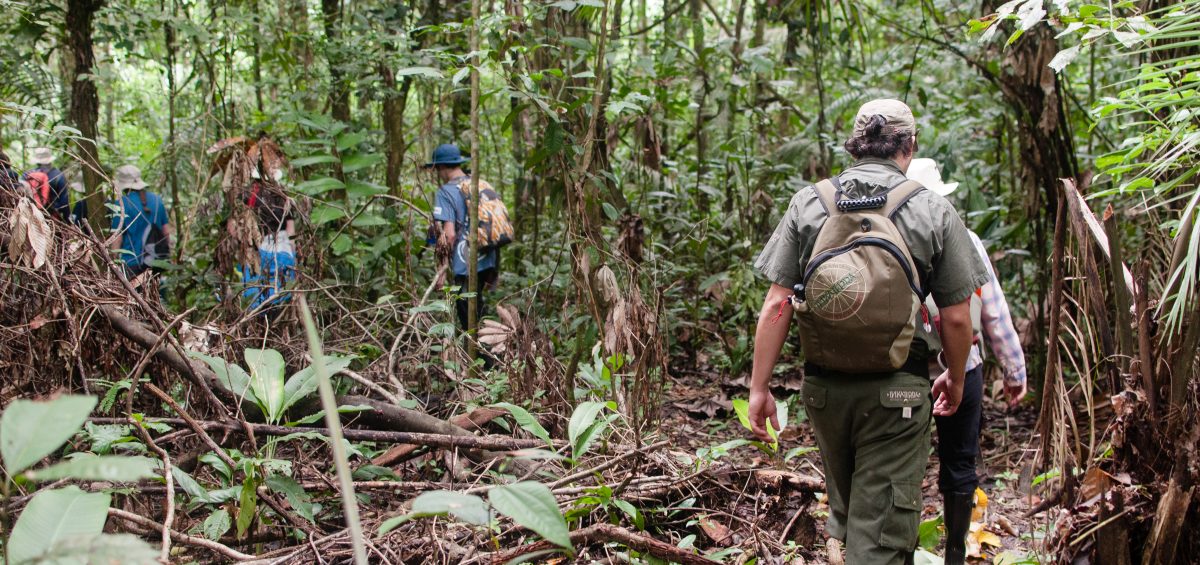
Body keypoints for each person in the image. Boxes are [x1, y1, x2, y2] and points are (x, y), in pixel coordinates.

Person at [748, 99, 990, 565]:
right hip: (896, 395)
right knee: (879, 539)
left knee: (848, 508)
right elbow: (958, 317)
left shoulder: (810, 202)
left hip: (824, 392)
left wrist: (760, 387)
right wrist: (955, 378)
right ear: (910, 146)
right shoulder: (930, 209)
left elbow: (777, 303)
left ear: (856, 144)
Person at [906, 158, 1027, 565]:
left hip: (900, 369)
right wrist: (1014, 369)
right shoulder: (964, 238)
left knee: (901, 461)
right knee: (959, 460)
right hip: (962, 364)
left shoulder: (883, 238)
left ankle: (899, 551)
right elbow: (990, 309)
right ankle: (956, 552)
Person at [425, 143, 499, 330]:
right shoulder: (478, 184)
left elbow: (449, 235)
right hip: (487, 257)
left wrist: (442, 270)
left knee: (469, 317)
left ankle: (490, 357)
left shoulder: (446, 191)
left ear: (441, 167)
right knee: (477, 308)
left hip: (463, 261)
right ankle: (487, 354)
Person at [240, 167, 297, 311]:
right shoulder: (282, 196)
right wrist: (293, 250)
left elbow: (243, 226)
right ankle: (277, 309)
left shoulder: (250, 196)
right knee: (281, 282)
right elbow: (290, 226)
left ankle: (259, 313)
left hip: (261, 246)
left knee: (257, 282)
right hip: (281, 245)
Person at [110, 165, 171, 277]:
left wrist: (113, 262)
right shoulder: (157, 200)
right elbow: (166, 231)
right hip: (155, 261)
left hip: (130, 264)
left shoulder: (122, 204)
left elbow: (117, 237)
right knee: (155, 293)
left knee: (131, 294)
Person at [26, 147, 70, 219]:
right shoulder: (58, 176)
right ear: (50, 160)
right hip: (52, 216)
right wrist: (67, 219)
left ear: (37, 161)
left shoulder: (29, 174)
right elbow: (64, 201)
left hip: (33, 215)